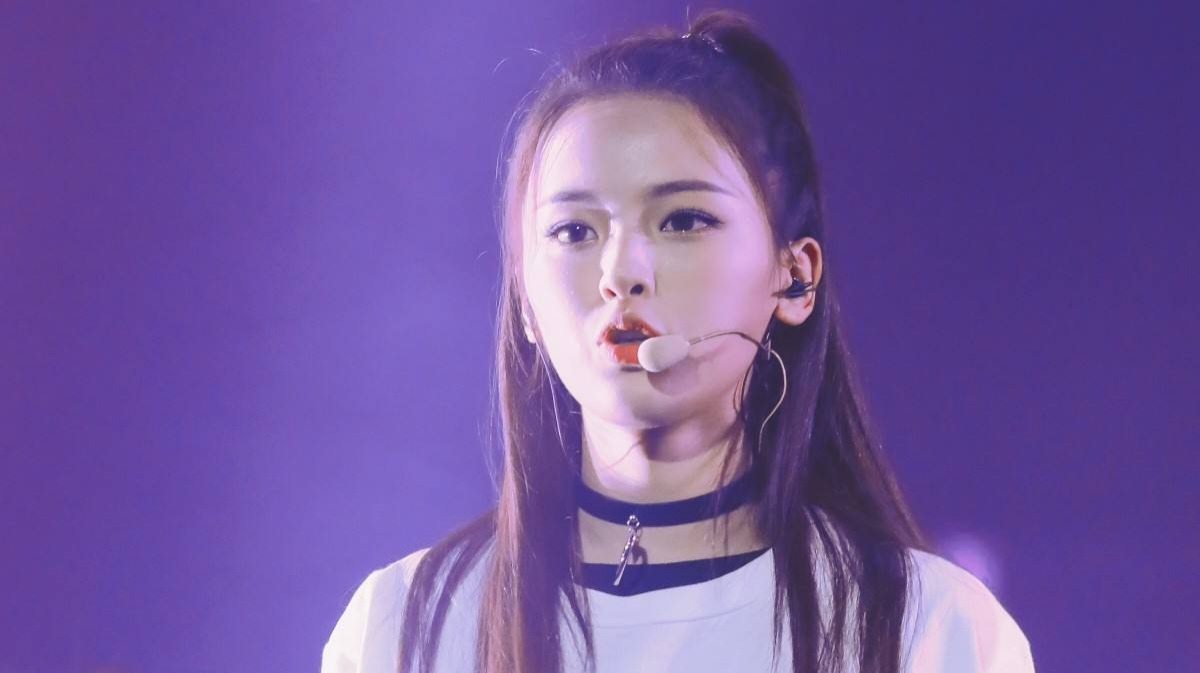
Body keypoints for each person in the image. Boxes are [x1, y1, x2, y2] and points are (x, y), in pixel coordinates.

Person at [322, 9, 1034, 673]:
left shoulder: (928, 626)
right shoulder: (404, 624)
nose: (621, 272)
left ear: (794, 278)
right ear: (525, 303)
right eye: (575, 231)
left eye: (683, 221)